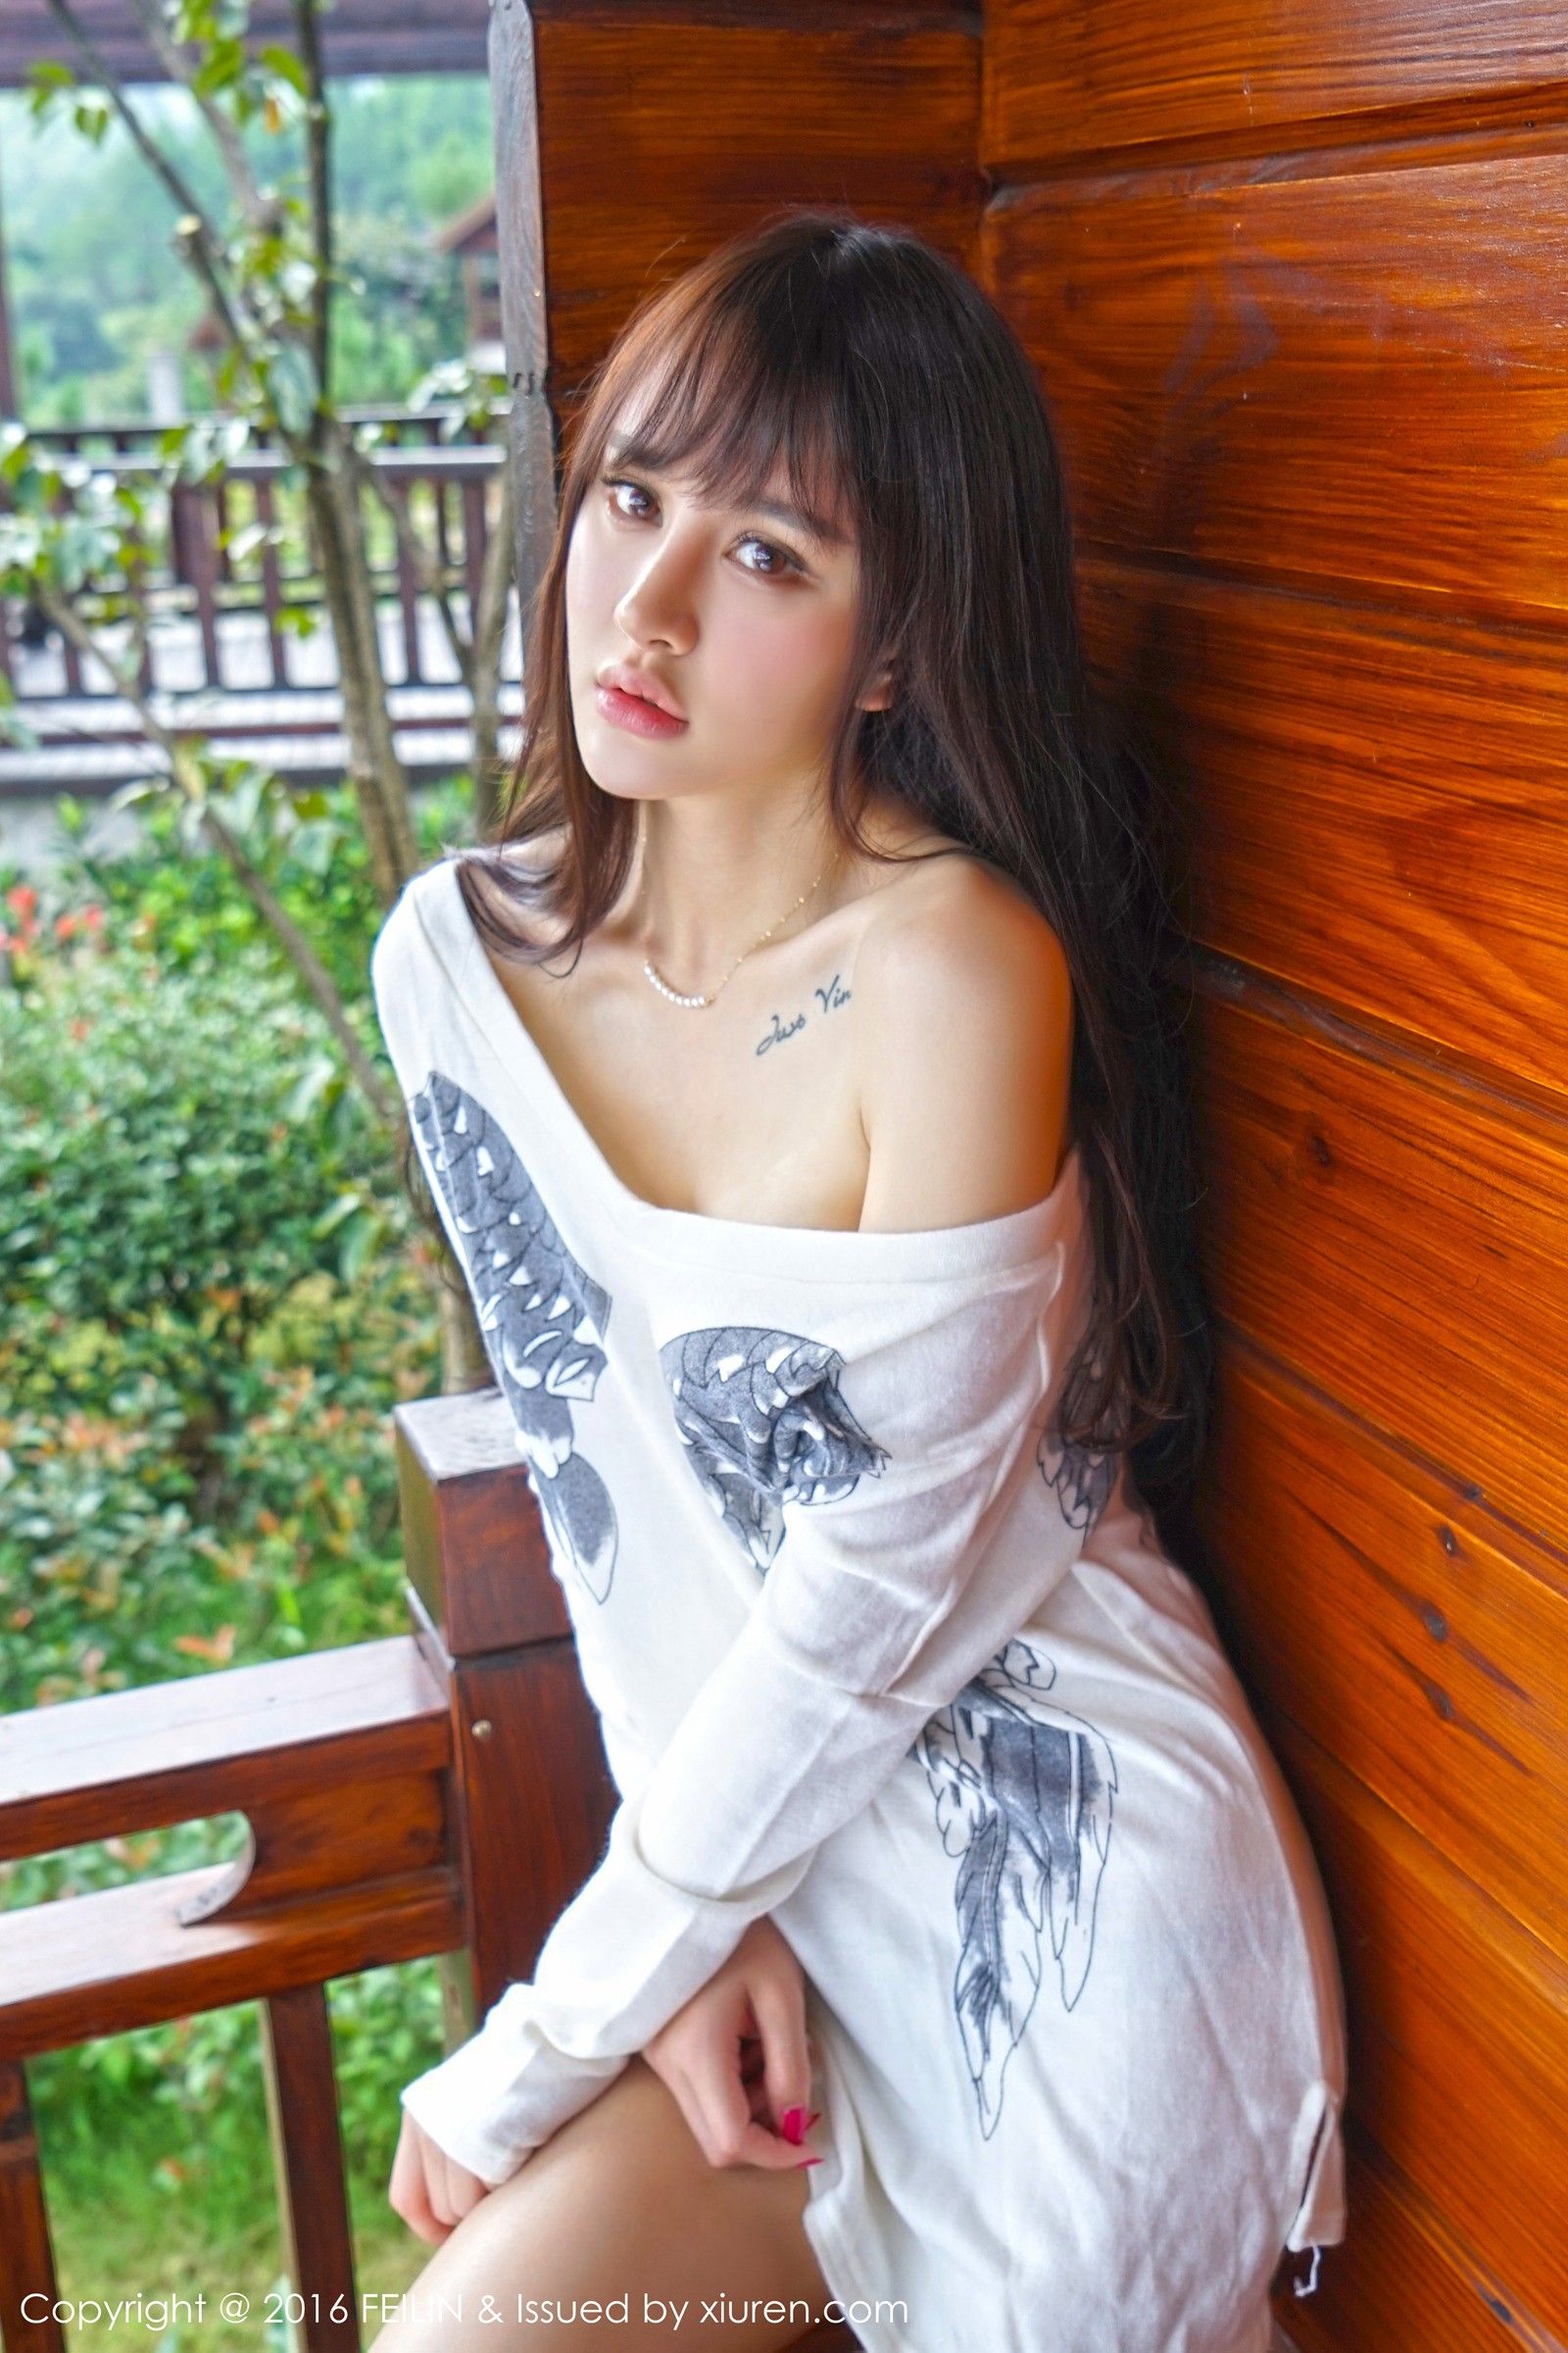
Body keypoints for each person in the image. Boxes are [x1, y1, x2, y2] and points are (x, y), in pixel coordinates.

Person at [366, 209, 1348, 2353]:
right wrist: (692, 1919)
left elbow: (869, 1591)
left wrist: (556, 2026)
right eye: (631, 494)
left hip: (1058, 1886)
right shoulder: (454, 966)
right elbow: (602, 1495)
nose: (645, 605)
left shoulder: (953, 971)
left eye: (767, 554)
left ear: (895, 647)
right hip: (768, 1865)